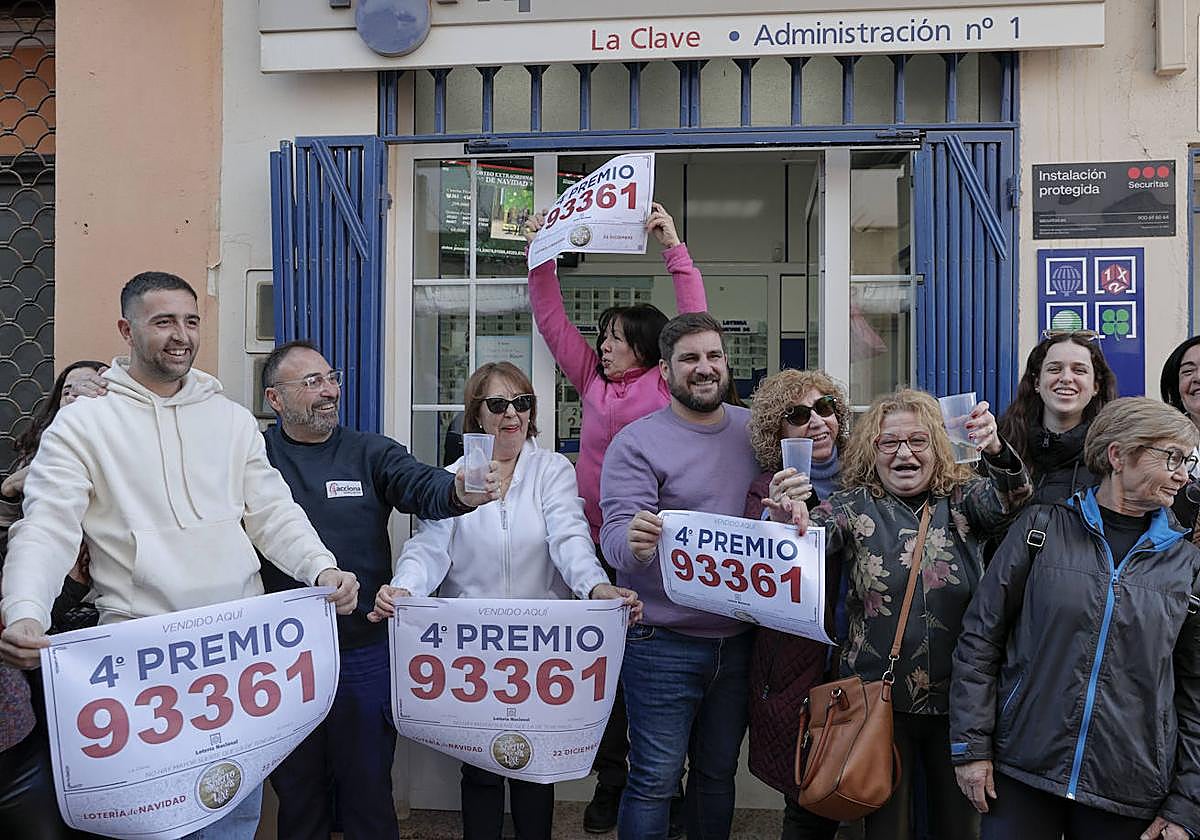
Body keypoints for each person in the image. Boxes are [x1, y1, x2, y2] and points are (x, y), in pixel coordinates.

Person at [0, 271, 359, 840]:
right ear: (126, 329)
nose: (181, 335)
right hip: (143, 661)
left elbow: (271, 512)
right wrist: (25, 610)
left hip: (235, 657)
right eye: (162, 321)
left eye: (191, 321)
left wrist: (322, 567)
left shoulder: (232, 419)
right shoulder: (83, 423)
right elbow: (48, 527)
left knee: (234, 812)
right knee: (157, 820)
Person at [368, 361, 639, 840]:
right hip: (476, 649)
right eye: (498, 404)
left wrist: (597, 588)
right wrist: (405, 588)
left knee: (536, 767)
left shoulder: (553, 469)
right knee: (480, 769)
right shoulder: (453, 478)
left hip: (540, 650)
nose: (512, 414)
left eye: (523, 403)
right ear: (477, 414)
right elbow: (430, 548)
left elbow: (569, 539)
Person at [257, 340, 499, 840]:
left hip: (362, 651)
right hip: (281, 657)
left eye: (330, 377)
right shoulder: (253, 458)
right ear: (275, 400)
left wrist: (457, 492)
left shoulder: (369, 451)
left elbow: (419, 485)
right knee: (298, 790)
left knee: (367, 786)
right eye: (311, 382)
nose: (329, 391)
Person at [525, 202, 704, 833]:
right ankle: (613, 779)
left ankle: (667, 786)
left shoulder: (665, 383)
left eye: (617, 338)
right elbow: (550, 322)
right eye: (603, 337)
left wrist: (672, 247)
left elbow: (692, 318)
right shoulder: (594, 384)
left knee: (655, 676)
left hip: (653, 550)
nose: (604, 346)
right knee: (608, 672)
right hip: (596, 553)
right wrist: (541, 251)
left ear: (648, 348)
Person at [950, 398, 1200, 840]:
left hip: (1128, 787)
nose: (1184, 473)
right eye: (1173, 457)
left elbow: (1196, 691)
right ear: (1119, 455)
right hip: (1022, 769)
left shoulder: (1186, 565)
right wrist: (970, 749)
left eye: (1189, 461)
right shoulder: (1040, 528)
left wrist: (1186, 804)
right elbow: (979, 639)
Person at [792, 388, 1031, 840]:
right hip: (877, 701)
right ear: (872, 452)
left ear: (938, 446)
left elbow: (1013, 496)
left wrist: (995, 447)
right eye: (890, 443)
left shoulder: (963, 499)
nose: (904, 452)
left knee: (960, 826)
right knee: (887, 829)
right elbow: (809, 537)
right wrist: (792, 518)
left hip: (961, 701)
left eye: (918, 441)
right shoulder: (853, 504)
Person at [600, 312, 764, 840]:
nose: (704, 368)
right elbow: (613, 538)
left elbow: (771, 518)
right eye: (690, 359)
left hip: (738, 640)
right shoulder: (637, 441)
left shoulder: (754, 431)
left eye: (713, 356)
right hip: (660, 642)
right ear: (666, 373)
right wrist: (635, 541)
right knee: (654, 779)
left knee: (717, 776)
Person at [743, 369, 850, 840]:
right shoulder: (765, 488)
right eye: (798, 414)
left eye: (825, 408)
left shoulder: (870, 474)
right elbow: (753, 564)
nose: (817, 421)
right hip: (798, 663)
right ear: (777, 431)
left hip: (863, 657)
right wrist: (776, 518)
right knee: (807, 794)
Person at [996, 331, 1117, 504]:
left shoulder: (1113, 457)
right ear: (1037, 382)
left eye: (1079, 370)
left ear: (1095, 386)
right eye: (1054, 369)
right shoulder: (1003, 444)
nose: (1066, 378)